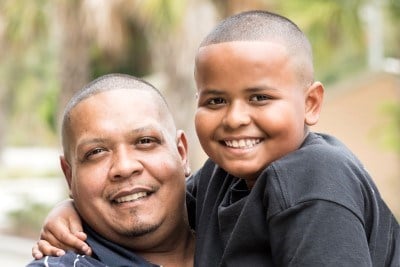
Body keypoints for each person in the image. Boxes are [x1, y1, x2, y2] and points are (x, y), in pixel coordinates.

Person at [33, 10, 400, 266]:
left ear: (311, 103)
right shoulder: (223, 177)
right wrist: (72, 210)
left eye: (260, 97)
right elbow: (158, 200)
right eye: (216, 101)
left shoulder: (315, 181)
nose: (235, 119)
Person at [27, 73, 195, 266]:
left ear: (181, 153)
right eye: (96, 152)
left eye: (145, 141)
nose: (124, 167)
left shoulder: (228, 216)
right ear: (69, 176)